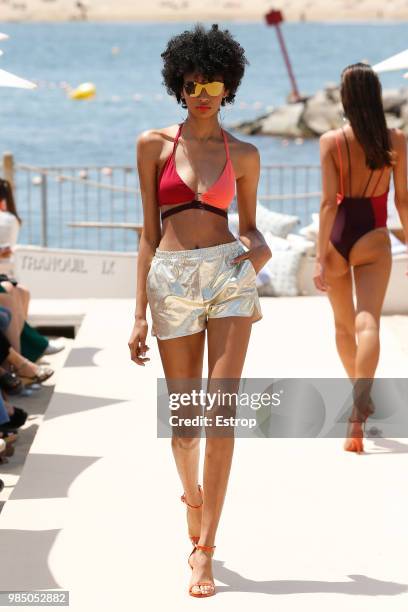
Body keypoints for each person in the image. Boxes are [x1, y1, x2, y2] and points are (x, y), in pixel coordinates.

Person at [128, 23, 271, 597]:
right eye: (193, 84)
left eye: (213, 82)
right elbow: (145, 233)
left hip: (229, 279)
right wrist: (138, 313)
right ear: (179, 88)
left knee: (220, 414)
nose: (204, 92)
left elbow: (253, 230)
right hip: (171, 280)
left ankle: (206, 548)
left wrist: (254, 257)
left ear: (228, 85)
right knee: (185, 426)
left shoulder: (245, 153)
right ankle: (192, 498)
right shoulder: (152, 146)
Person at [314, 62, 408, 453]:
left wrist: (321, 257)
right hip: (372, 235)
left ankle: (359, 397)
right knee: (367, 322)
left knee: (342, 327)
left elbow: (327, 204)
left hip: (338, 238)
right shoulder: (397, 140)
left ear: (346, 98)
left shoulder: (331, 141)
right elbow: (402, 199)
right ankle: (359, 406)